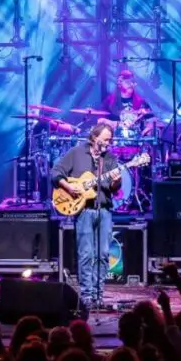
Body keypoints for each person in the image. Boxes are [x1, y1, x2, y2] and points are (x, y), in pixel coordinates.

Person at [51, 121, 122, 313]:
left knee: (103, 254)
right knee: (86, 254)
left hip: (104, 210)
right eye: (106, 139)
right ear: (94, 137)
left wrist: (116, 181)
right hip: (83, 211)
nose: (109, 142)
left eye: (110, 139)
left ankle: (98, 295)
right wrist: (68, 186)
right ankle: (86, 296)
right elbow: (55, 173)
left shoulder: (110, 159)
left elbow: (115, 189)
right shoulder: (76, 153)